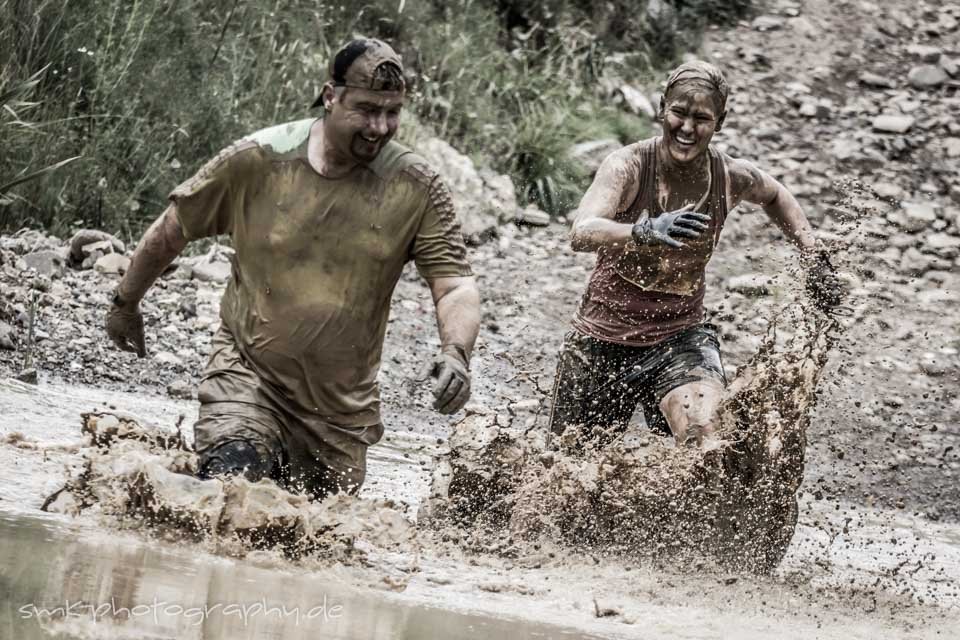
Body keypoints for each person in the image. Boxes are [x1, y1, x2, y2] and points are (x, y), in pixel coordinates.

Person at [105, 38, 480, 499]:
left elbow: (455, 285)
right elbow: (172, 230)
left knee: (304, 537)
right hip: (247, 379)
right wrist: (126, 303)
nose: (380, 127)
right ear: (330, 96)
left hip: (341, 417)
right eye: (366, 109)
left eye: (392, 112)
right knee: (229, 494)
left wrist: (456, 353)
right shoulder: (258, 159)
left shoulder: (417, 186)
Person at [549, 60, 842, 448]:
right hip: (601, 340)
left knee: (707, 434)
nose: (687, 128)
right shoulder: (628, 166)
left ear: (719, 122)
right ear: (661, 108)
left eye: (701, 118)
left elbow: (776, 196)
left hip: (678, 340)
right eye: (679, 113)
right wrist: (643, 230)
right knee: (567, 467)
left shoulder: (730, 176)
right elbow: (581, 232)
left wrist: (812, 256)